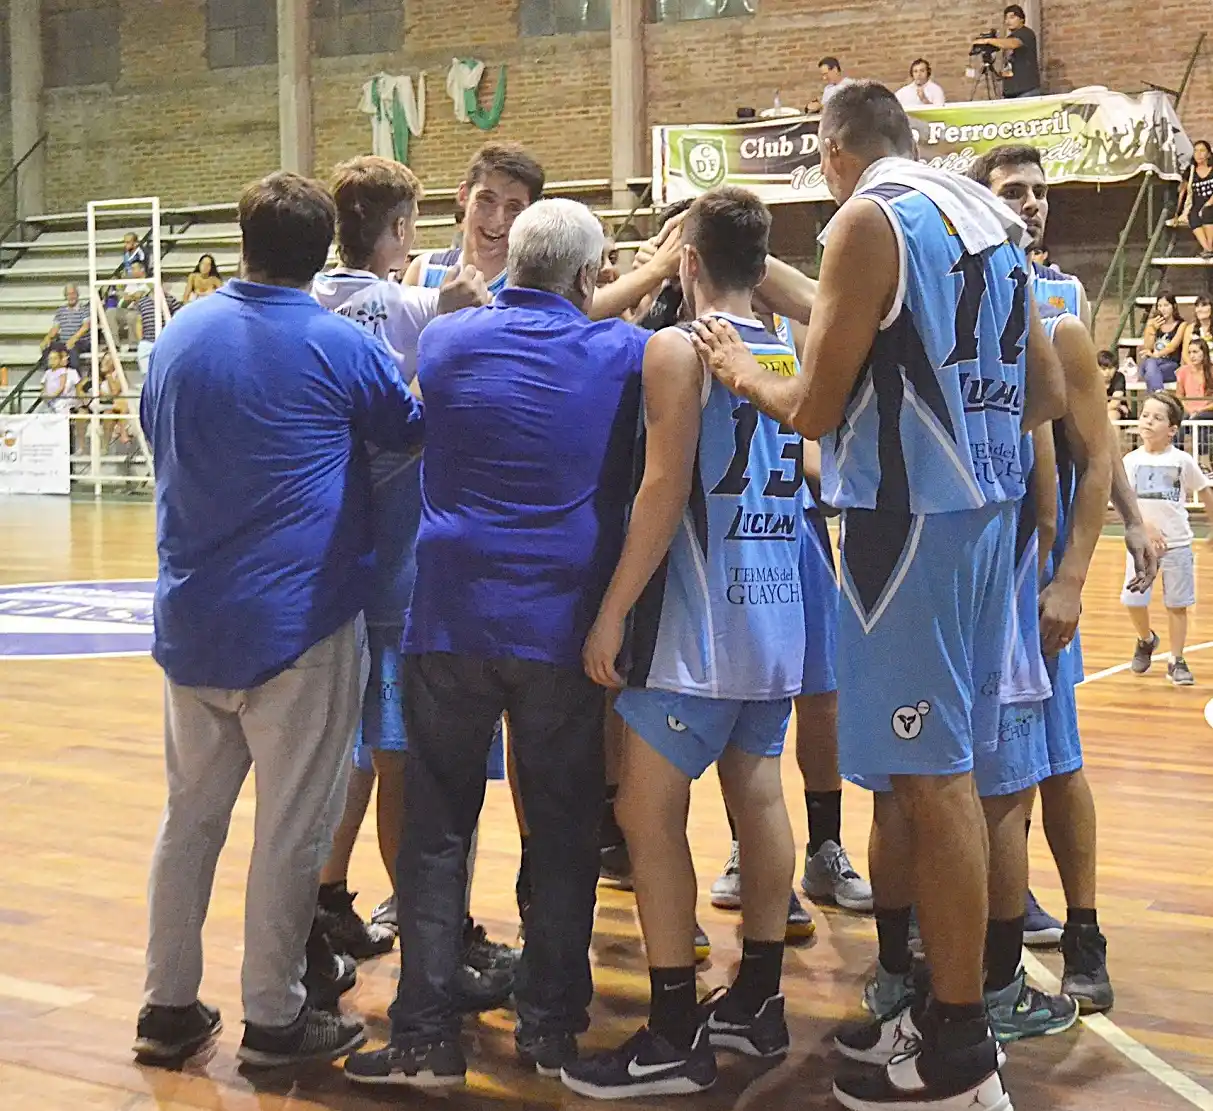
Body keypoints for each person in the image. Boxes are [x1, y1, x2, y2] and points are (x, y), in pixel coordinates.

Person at [690, 82, 1068, 1110]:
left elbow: (811, 405)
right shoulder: (986, 215)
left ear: (832, 150)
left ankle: (954, 1045)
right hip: (988, 520)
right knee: (942, 773)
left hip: (910, 529)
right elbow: (1044, 389)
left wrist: (735, 367)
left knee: (932, 779)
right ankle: (938, 1002)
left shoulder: (867, 219)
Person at [344, 198, 648, 1090]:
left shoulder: (446, 341)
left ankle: (423, 1037)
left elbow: (477, 322)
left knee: (437, 832)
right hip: (562, 627)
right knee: (558, 829)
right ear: (590, 276)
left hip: (449, 618)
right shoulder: (621, 353)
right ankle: (550, 1026)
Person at [134, 170, 426, 1071]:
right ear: (325, 247)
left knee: (190, 821)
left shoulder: (178, 334)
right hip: (298, 622)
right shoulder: (339, 342)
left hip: (193, 618)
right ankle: (274, 1018)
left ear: (244, 237)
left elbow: (158, 432)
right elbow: (408, 427)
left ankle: (166, 1006)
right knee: (290, 828)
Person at [562, 187, 803, 1100]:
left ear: (687, 261)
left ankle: (670, 1030)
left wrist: (612, 609)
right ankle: (759, 999)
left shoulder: (675, 349)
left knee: (646, 815)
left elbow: (660, 493)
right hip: (779, 608)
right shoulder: (789, 349)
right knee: (758, 798)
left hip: (700, 626)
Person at [310, 155, 512, 992]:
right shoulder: (407, 302)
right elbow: (458, 312)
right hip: (396, 569)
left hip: (327, 567)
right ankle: (435, 931)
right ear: (396, 231)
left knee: (346, 755)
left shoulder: (309, 303)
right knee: (398, 757)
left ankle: (324, 904)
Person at [971, 142, 1161, 1013]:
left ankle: (1083, 927)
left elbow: (1095, 434)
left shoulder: (1062, 300)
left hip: (1037, 565)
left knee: (1056, 757)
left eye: (1040, 191)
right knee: (987, 767)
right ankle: (1003, 914)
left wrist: (1124, 513)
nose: (1034, 203)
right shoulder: (957, 295)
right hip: (976, 556)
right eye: (1014, 190)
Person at [1124, 392, 1213, 686]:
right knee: (1134, 600)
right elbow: (1125, 500)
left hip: (1177, 545)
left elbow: (1204, 491)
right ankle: (1146, 639)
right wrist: (1144, 525)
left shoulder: (1182, 460)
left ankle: (1177, 659)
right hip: (1141, 548)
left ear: (1172, 429)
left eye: (1157, 417)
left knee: (1177, 604)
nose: (1148, 421)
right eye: (1145, 415)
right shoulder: (1130, 461)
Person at [405, 142, 545, 298]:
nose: (498, 220)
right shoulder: (424, 270)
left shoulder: (533, 288)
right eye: (487, 199)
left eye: (513, 208)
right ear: (464, 195)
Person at [974, 5, 1041, 98]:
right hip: (1011, 90)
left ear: (1021, 19)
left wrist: (988, 40)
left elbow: (1013, 44)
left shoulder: (1026, 33)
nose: (1008, 21)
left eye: (1012, 17)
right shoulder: (1009, 37)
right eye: (1006, 18)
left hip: (1026, 90)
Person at [134, 271, 183, 376]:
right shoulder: (142, 302)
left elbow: (178, 320)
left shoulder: (170, 300)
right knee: (147, 375)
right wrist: (140, 340)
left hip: (165, 342)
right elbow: (139, 322)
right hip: (147, 342)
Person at [1139, 293, 1186, 389]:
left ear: (1174, 306)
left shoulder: (1181, 325)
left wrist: (1156, 355)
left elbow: (1173, 346)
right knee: (1151, 364)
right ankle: (1159, 395)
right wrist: (1152, 329)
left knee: (1150, 373)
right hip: (1150, 364)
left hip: (1171, 365)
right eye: (1159, 306)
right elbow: (1147, 347)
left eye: (1166, 305)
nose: (1162, 309)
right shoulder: (1151, 323)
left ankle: (1157, 396)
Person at [1177, 139, 1213, 258]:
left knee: (1207, 211)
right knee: (1193, 215)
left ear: (1208, 154)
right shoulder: (1191, 170)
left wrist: (1208, 203)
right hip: (1197, 203)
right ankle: (1207, 248)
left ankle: (1209, 247)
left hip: (1210, 202)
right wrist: (1177, 213)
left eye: (1202, 151)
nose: (1198, 154)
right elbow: (1183, 191)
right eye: (1196, 151)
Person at [42, 284, 92, 369]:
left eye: (73, 293)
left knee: (72, 348)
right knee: (48, 347)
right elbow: (55, 328)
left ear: (77, 295)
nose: (71, 296)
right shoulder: (61, 310)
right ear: (65, 296)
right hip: (64, 342)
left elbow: (86, 327)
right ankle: (49, 374)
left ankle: (75, 378)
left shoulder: (84, 309)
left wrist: (73, 339)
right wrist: (47, 338)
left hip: (81, 341)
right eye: (68, 294)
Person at [38, 344, 80, 414]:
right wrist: (45, 396)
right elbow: (43, 387)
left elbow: (77, 390)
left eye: (66, 356)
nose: (65, 358)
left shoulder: (72, 372)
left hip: (65, 402)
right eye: (51, 359)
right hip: (49, 401)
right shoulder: (48, 373)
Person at [1101, 349, 1130, 420]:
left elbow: (1115, 403)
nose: (1107, 372)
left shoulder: (1119, 377)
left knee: (1111, 415)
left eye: (1110, 368)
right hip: (1096, 412)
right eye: (1103, 369)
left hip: (1117, 411)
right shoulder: (1092, 380)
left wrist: (1096, 410)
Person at [1183, 293, 1213, 358]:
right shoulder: (1190, 328)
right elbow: (1185, 355)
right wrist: (1195, 368)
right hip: (1194, 366)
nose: (1199, 309)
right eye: (1197, 306)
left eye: (1203, 305)